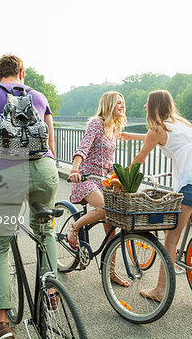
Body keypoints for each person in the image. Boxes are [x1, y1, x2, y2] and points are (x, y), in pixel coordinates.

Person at [0, 54, 59, 339]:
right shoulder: (40, 97)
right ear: (22, 73)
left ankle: (3, 323)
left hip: (6, 173)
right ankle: (51, 290)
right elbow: (50, 143)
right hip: (44, 171)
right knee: (46, 232)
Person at [119, 89, 192, 302]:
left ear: (154, 106)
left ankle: (160, 290)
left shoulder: (157, 129)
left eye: (147, 104)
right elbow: (158, 138)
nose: (145, 108)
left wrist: (123, 180)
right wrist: (131, 135)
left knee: (171, 238)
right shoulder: (182, 125)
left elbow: (140, 157)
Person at [67, 91, 130, 287]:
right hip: (86, 177)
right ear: (109, 105)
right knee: (103, 209)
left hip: (102, 180)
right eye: (118, 103)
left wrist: (121, 174)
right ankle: (74, 228)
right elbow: (83, 148)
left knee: (112, 228)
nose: (122, 106)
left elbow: (108, 162)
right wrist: (75, 169)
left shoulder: (114, 129)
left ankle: (110, 272)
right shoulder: (97, 124)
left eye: (123, 103)